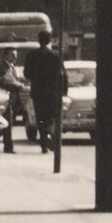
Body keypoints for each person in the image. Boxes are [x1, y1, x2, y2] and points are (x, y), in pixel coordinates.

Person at [26, 27, 66, 156]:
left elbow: (27, 74)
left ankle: (43, 144)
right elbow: (63, 74)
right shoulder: (55, 55)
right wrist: (64, 91)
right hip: (52, 92)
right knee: (53, 117)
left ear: (39, 40)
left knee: (40, 118)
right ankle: (49, 134)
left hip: (38, 92)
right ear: (49, 40)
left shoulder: (31, 55)